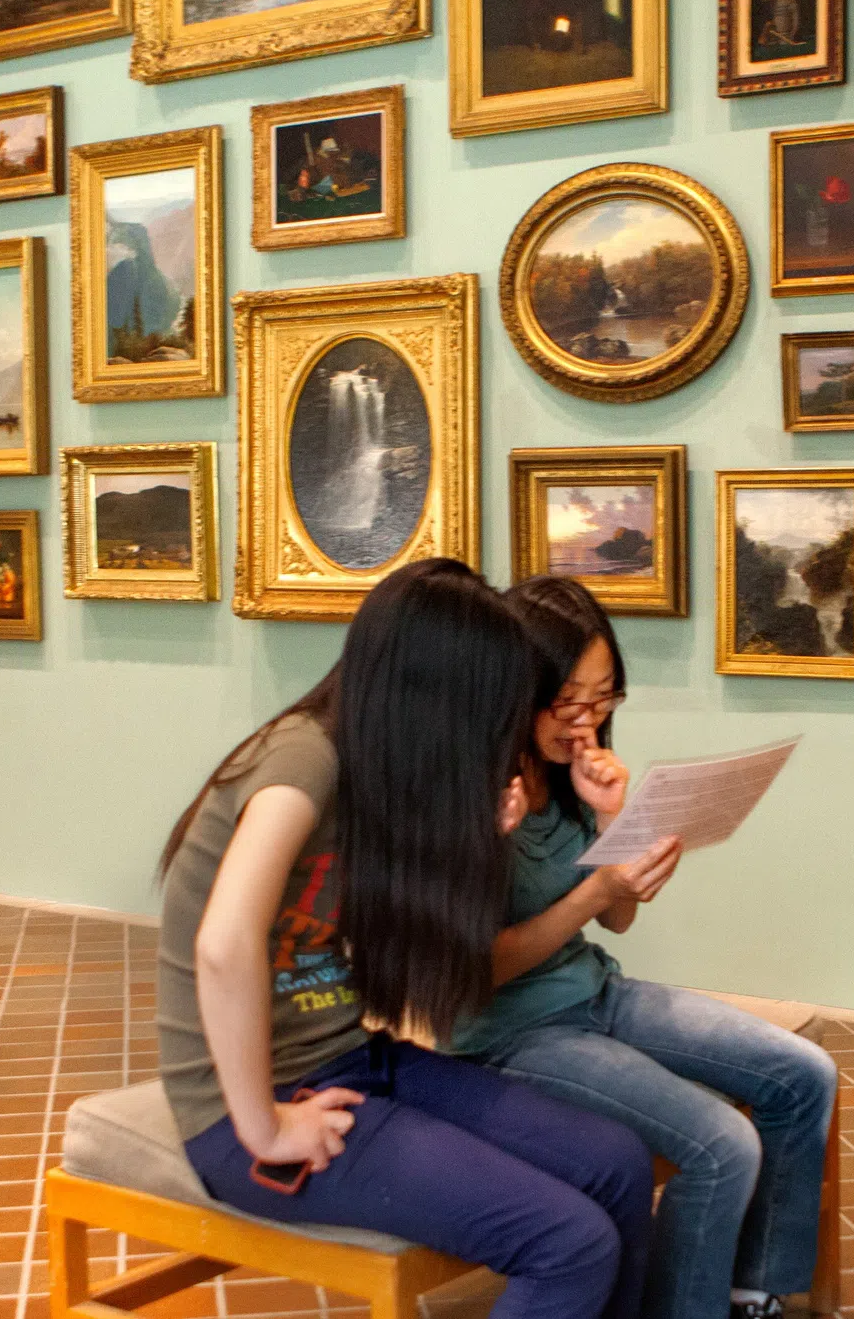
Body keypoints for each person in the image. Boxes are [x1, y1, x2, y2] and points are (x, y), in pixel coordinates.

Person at [156, 559, 655, 1319]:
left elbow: (430, 977)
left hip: (354, 1059)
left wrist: (479, 848)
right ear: (434, 696)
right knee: (569, 1242)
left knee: (615, 1163)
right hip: (243, 1107)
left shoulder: (390, 774)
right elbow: (223, 942)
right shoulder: (304, 757)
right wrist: (265, 1124)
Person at [452, 575, 837, 1319]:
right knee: (723, 1143)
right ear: (517, 686)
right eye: (571, 700)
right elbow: (476, 972)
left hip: (595, 992)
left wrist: (611, 822)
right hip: (508, 1035)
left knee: (802, 1073)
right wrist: (596, 890)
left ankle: (752, 1291)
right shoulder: (475, 788)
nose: (588, 720)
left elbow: (618, 924)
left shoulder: (574, 772)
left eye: (605, 698)